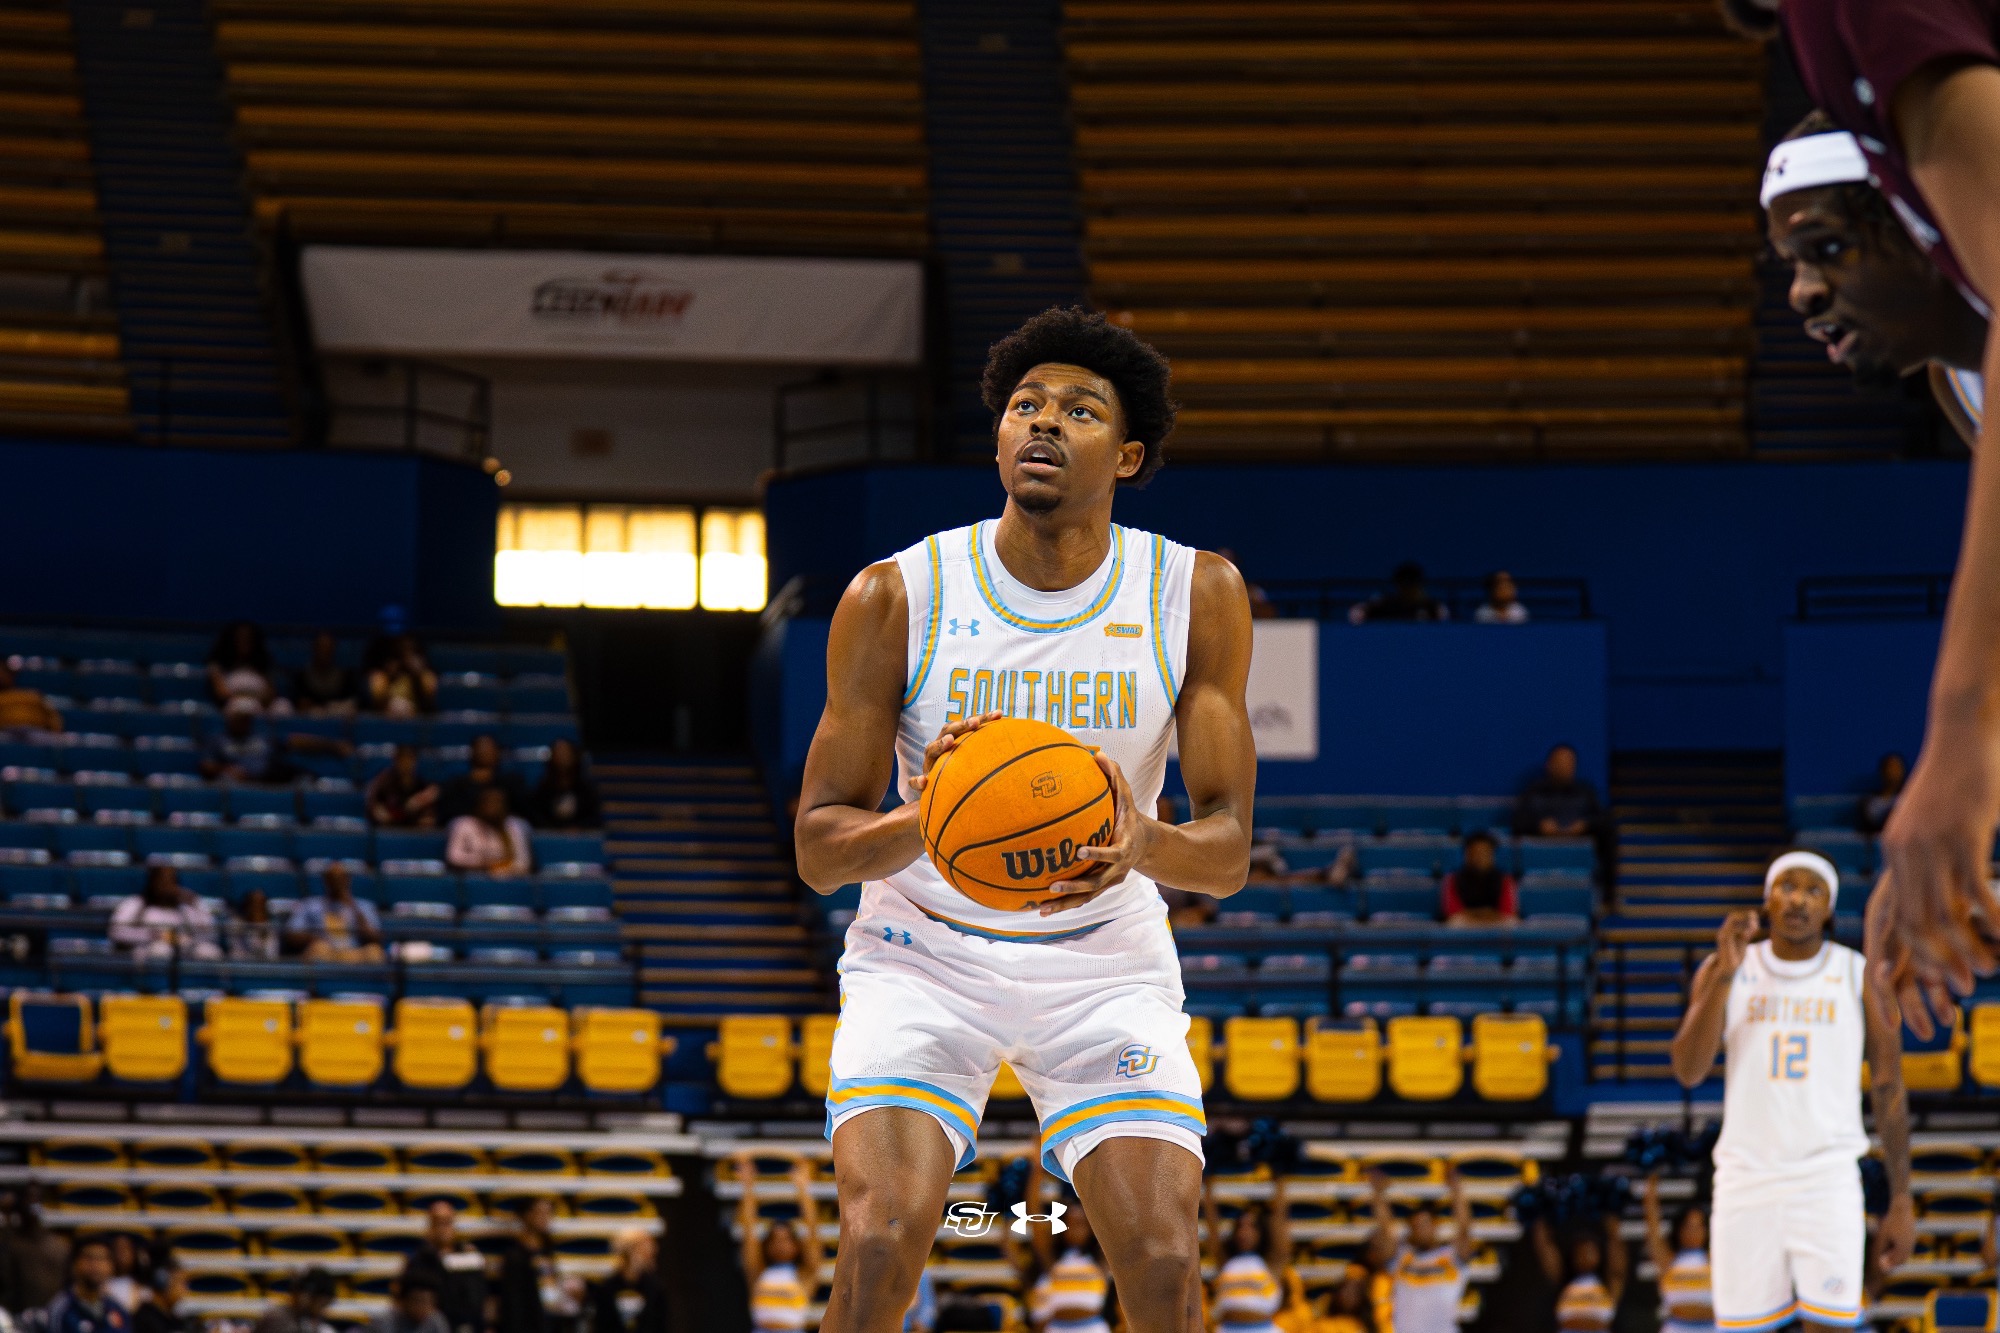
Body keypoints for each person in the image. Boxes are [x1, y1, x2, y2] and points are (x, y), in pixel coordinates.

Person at [792, 307, 1256, 1331]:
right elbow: (820, 849)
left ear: (1126, 455)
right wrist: (934, 815)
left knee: (1165, 1261)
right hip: (923, 952)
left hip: (1101, 960)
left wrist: (1143, 841)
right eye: (1023, 406)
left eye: (1078, 410)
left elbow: (1224, 854)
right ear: (998, 436)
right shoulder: (895, 595)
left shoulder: (1196, 593)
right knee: (878, 1240)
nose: (1042, 423)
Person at [1725, 0, 2000, 1044]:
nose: (1799, 296)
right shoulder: (1959, 386)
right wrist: (1939, 822)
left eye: (1829, 246)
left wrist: (1958, 747)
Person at [1669, 850, 1916, 1332]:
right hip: (1746, 1183)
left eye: (1812, 889)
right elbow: (1688, 1070)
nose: (1798, 899)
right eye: (1787, 886)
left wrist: (1902, 1198)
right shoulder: (1726, 969)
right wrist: (1722, 975)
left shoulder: (1859, 976)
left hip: (1826, 1182)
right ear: (1767, 900)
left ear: (1829, 908)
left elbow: (1888, 1089)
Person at [1762, 113, 1988, 446]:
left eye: (1829, 246)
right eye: (1791, 263)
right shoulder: (1954, 380)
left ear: (1926, 224)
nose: (1801, 293)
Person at [1366, 1167, 1472, 1333]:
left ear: (1435, 1225)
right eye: (1416, 1225)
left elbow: (1464, 1229)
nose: (1420, 1229)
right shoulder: (1402, 1257)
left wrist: (1456, 1190)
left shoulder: (1451, 1258)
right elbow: (1385, 1229)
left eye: (1425, 1223)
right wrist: (1379, 1193)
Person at [1203, 1175, 1303, 1333]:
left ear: (1261, 1232)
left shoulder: (1270, 1262)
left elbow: (1280, 1221)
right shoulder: (1227, 1262)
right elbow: (1213, 1231)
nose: (1244, 1232)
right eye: (1241, 1226)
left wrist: (1279, 1182)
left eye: (1251, 1227)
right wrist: (1208, 1187)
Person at [732, 1154, 820, 1333]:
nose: (780, 1244)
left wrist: (803, 1189)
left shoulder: (804, 1275)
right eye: (775, 1239)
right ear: (766, 1246)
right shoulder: (758, 1273)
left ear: (796, 1246)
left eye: (786, 1239)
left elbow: (813, 1234)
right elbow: (749, 1232)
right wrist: (748, 1186)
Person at [1512, 743, 1615, 892]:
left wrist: (1585, 825)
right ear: (1550, 764)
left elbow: (1603, 819)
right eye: (1560, 763)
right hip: (1542, 849)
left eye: (1569, 763)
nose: (1565, 767)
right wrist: (1539, 826)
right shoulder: (1533, 792)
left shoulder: (1585, 792)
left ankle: (1606, 897)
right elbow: (1518, 821)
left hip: (1577, 846)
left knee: (1609, 835)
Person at [199, 698, 351, 785]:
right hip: (238, 784)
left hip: (268, 778)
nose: (243, 722)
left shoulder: (262, 737)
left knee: (305, 778)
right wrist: (226, 769)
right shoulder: (218, 740)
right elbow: (207, 766)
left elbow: (294, 742)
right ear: (229, 718)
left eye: (247, 718)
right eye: (239, 717)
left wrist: (332, 745)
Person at [1531, 1209, 1628, 1333]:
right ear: (1573, 1256)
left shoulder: (1607, 1286)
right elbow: (1545, 1249)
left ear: (1599, 1255)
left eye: (1590, 1252)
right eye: (1581, 1252)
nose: (1585, 1256)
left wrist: (1614, 1234)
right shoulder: (1564, 1283)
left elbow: (1618, 1269)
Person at [401, 1202, 487, 1333]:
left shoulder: (469, 1257)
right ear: (430, 1226)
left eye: (447, 1222)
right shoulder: (418, 1259)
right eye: (438, 1223)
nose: (443, 1228)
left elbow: (479, 1295)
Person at [1642, 1175, 1712, 1333]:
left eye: (1698, 1226)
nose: (1693, 1231)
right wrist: (1651, 1184)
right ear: (1679, 1229)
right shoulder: (1669, 1261)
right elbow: (1652, 1228)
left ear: (1706, 1230)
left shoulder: (1713, 1259)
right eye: (1688, 1226)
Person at [495, 1197, 576, 1333]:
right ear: (527, 1215)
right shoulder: (515, 1256)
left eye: (549, 1213)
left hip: (548, 1321)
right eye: (541, 1213)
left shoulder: (547, 1251)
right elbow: (513, 1303)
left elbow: (550, 1291)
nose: (546, 1218)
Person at [109, 867, 220, 960]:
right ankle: (155, 985)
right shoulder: (136, 904)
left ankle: (206, 985)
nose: (166, 886)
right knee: (161, 950)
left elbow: (211, 934)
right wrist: (152, 935)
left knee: (210, 952)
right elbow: (116, 932)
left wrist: (196, 904)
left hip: (184, 952)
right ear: (153, 883)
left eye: (170, 881)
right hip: (146, 952)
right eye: (162, 882)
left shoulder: (186, 907)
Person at [282, 864, 384, 963]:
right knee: (318, 949)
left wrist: (352, 905)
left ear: (348, 879)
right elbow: (292, 934)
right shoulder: (310, 905)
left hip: (354, 953)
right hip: (328, 952)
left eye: (341, 878)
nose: (336, 882)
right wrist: (314, 937)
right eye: (332, 878)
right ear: (325, 880)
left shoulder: (364, 906)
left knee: (375, 952)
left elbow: (375, 937)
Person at [3, 1187, 69, 1313]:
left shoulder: (58, 1246)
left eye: (36, 1201)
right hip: (16, 1313)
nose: (31, 1207)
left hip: (52, 1314)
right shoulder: (10, 1243)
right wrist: (6, 1215)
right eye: (27, 1201)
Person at [39, 1238, 127, 1333]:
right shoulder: (60, 1310)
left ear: (111, 1266)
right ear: (75, 1264)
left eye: (102, 1258)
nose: (96, 1265)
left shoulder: (117, 1309)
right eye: (89, 1258)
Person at [586, 1228, 665, 1333]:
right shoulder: (608, 1288)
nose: (653, 1249)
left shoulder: (654, 1287)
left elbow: (660, 1325)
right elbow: (602, 1325)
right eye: (643, 1247)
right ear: (630, 1251)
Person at [437, 735, 529, 823]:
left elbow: (524, 811)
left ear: (497, 752)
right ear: (472, 752)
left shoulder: (511, 782)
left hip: (503, 829)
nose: (484, 751)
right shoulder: (457, 784)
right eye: (481, 747)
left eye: (488, 747)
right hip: (469, 828)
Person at [445, 786, 533, 877]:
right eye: (488, 802)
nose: (493, 807)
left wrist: (500, 869)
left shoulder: (514, 825)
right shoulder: (463, 824)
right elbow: (454, 857)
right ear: (479, 804)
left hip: (505, 879)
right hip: (471, 878)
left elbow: (523, 862)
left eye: (497, 802)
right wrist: (485, 863)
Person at [1441, 830, 1518, 925]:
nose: (1480, 856)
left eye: (1485, 852)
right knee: (1454, 922)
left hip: (1495, 924)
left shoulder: (1505, 879)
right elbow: (1452, 912)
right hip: (1466, 925)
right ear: (1467, 854)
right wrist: (1484, 913)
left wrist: (1481, 915)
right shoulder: (1453, 879)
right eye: (1476, 852)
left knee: (1511, 922)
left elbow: (1507, 911)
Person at [208, 622, 281, 713]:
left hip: (262, 706)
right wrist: (250, 696)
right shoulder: (218, 664)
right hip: (234, 705)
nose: (244, 642)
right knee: (243, 705)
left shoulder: (264, 664)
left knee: (283, 706)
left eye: (248, 639)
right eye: (240, 638)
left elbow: (270, 694)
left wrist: (252, 697)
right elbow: (222, 694)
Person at [528, 738, 601, 830]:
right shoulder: (543, 788)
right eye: (558, 752)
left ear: (574, 756)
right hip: (550, 838)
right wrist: (556, 829)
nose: (562, 756)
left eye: (566, 752)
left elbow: (595, 817)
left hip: (581, 839)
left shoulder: (587, 788)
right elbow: (536, 816)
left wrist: (579, 828)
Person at [1348, 561, 1449, 623]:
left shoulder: (1432, 606)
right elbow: (1356, 613)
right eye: (1404, 584)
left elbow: (1445, 623)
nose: (1408, 588)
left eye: (1412, 583)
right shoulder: (1386, 603)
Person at [367, 745, 441, 829]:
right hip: (389, 829)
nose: (406, 764)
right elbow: (374, 807)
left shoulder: (422, 785)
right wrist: (377, 811)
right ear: (396, 761)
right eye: (402, 760)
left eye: (409, 759)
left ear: (415, 761)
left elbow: (430, 816)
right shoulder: (384, 782)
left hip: (415, 830)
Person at [366, 634, 437, 717]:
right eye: (401, 649)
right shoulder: (380, 675)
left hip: (417, 720)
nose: (407, 654)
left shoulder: (424, 675)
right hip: (386, 720)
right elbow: (375, 701)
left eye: (410, 649)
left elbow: (429, 702)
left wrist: (417, 676)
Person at [250, 1269, 335, 1333]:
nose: (323, 1310)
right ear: (306, 1296)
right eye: (322, 1304)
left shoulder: (309, 1320)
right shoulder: (278, 1318)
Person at [293, 632, 357, 715]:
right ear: (314, 649)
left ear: (333, 650)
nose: (324, 652)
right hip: (309, 722)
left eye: (328, 648)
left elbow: (353, 702)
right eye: (321, 648)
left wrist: (333, 708)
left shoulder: (345, 677)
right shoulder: (301, 677)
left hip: (337, 717)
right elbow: (300, 704)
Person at [369, 1274, 446, 1333]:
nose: (423, 1307)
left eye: (429, 1302)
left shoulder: (436, 1320)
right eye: (418, 1301)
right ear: (403, 1301)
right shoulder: (383, 1322)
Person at [0, 662, 61, 737]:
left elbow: (52, 715)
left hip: (34, 732)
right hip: (7, 733)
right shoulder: (2, 697)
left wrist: (55, 732)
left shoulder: (35, 695)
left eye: (5, 673)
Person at [131, 1265, 190, 1333]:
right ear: (162, 1284)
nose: (184, 1290)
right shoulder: (145, 1319)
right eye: (180, 1283)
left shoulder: (170, 1317)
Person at [1860, 752, 1908, 835]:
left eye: (1898, 767)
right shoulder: (1868, 802)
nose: (1895, 772)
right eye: (1891, 767)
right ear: (1883, 771)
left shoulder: (1909, 800)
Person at [226, 889, 279, 961]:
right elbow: (235, 949)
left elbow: (271, 953)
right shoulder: (236, 923)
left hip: (265, 963)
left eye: (260, 905)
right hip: (242, 961)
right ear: (247, 905)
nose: (257, 909)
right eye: (254, 904)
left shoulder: (270, 926)